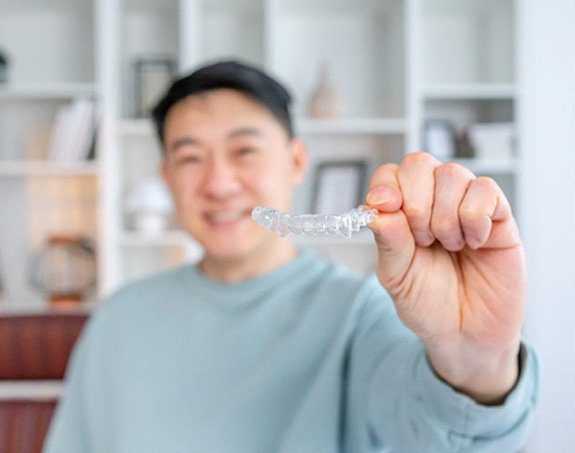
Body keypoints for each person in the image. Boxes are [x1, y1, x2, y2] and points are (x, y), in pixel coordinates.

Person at [44, 61, 538, 453]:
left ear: (296, 160)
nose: (218, 183)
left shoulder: (363, 311)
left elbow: (442, 435)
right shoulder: (118, 317)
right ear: (167, 175)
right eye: (190, 157)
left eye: (244, 151)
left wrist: (474, 360)